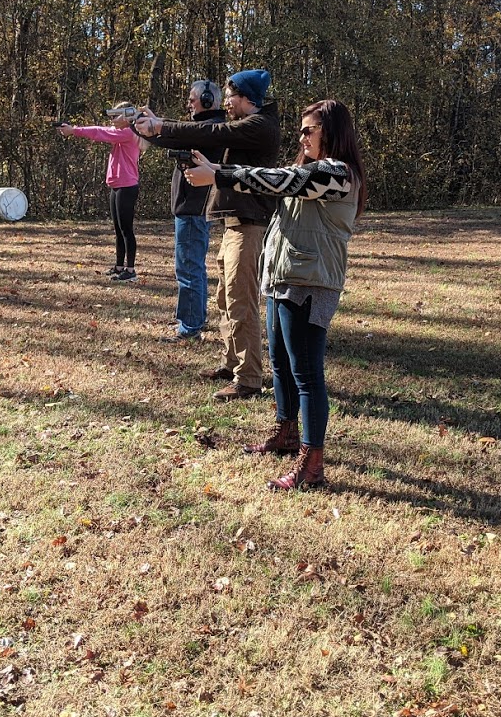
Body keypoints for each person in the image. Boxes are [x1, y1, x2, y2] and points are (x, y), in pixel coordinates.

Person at [182, 99, 365, 491]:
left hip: (310, 283)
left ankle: (312, 466)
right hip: (284, 276)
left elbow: (282, 181)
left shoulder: (338, 174)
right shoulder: (308, 170)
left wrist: (220, 175)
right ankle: (285, 434)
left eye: (308, 129)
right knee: (281, 365)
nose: (301, 136)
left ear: (331, 132)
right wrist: (218, 171)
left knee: (307, 375)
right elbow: (280, 179)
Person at [133, 70, 280, 400]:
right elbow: (201, 133)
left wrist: (160, 126)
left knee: (241, 303)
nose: (227, 102)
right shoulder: (247, 125)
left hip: (249, 224)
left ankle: (249, 379)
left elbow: (211, 131)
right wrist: (157, 130)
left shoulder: (258, 126)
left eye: (231, 96)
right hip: (234, 224)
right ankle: (232, 365)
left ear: (246, 99)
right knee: (225, 300)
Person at [57, 103, 146, 282]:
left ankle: (130, 270)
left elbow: (99, 132)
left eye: (116, 116)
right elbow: (103, 130)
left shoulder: (129, 133)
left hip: (127, 186)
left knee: (126, 229)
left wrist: (74, 130)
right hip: (118, 185)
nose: (112, 120)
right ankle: (119, 266)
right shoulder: (123, 133)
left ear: (128, 117)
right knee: (118, 230)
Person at [167, 80, 226, 342]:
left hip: (193, 208)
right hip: (191, 207)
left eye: (193, 99)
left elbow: (174, 133)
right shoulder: (206, 128)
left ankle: (190, 325)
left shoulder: (207, 129)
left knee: (188, 268)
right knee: (192, 266)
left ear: (207, 99)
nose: (190, 104)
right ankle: (194, 318)